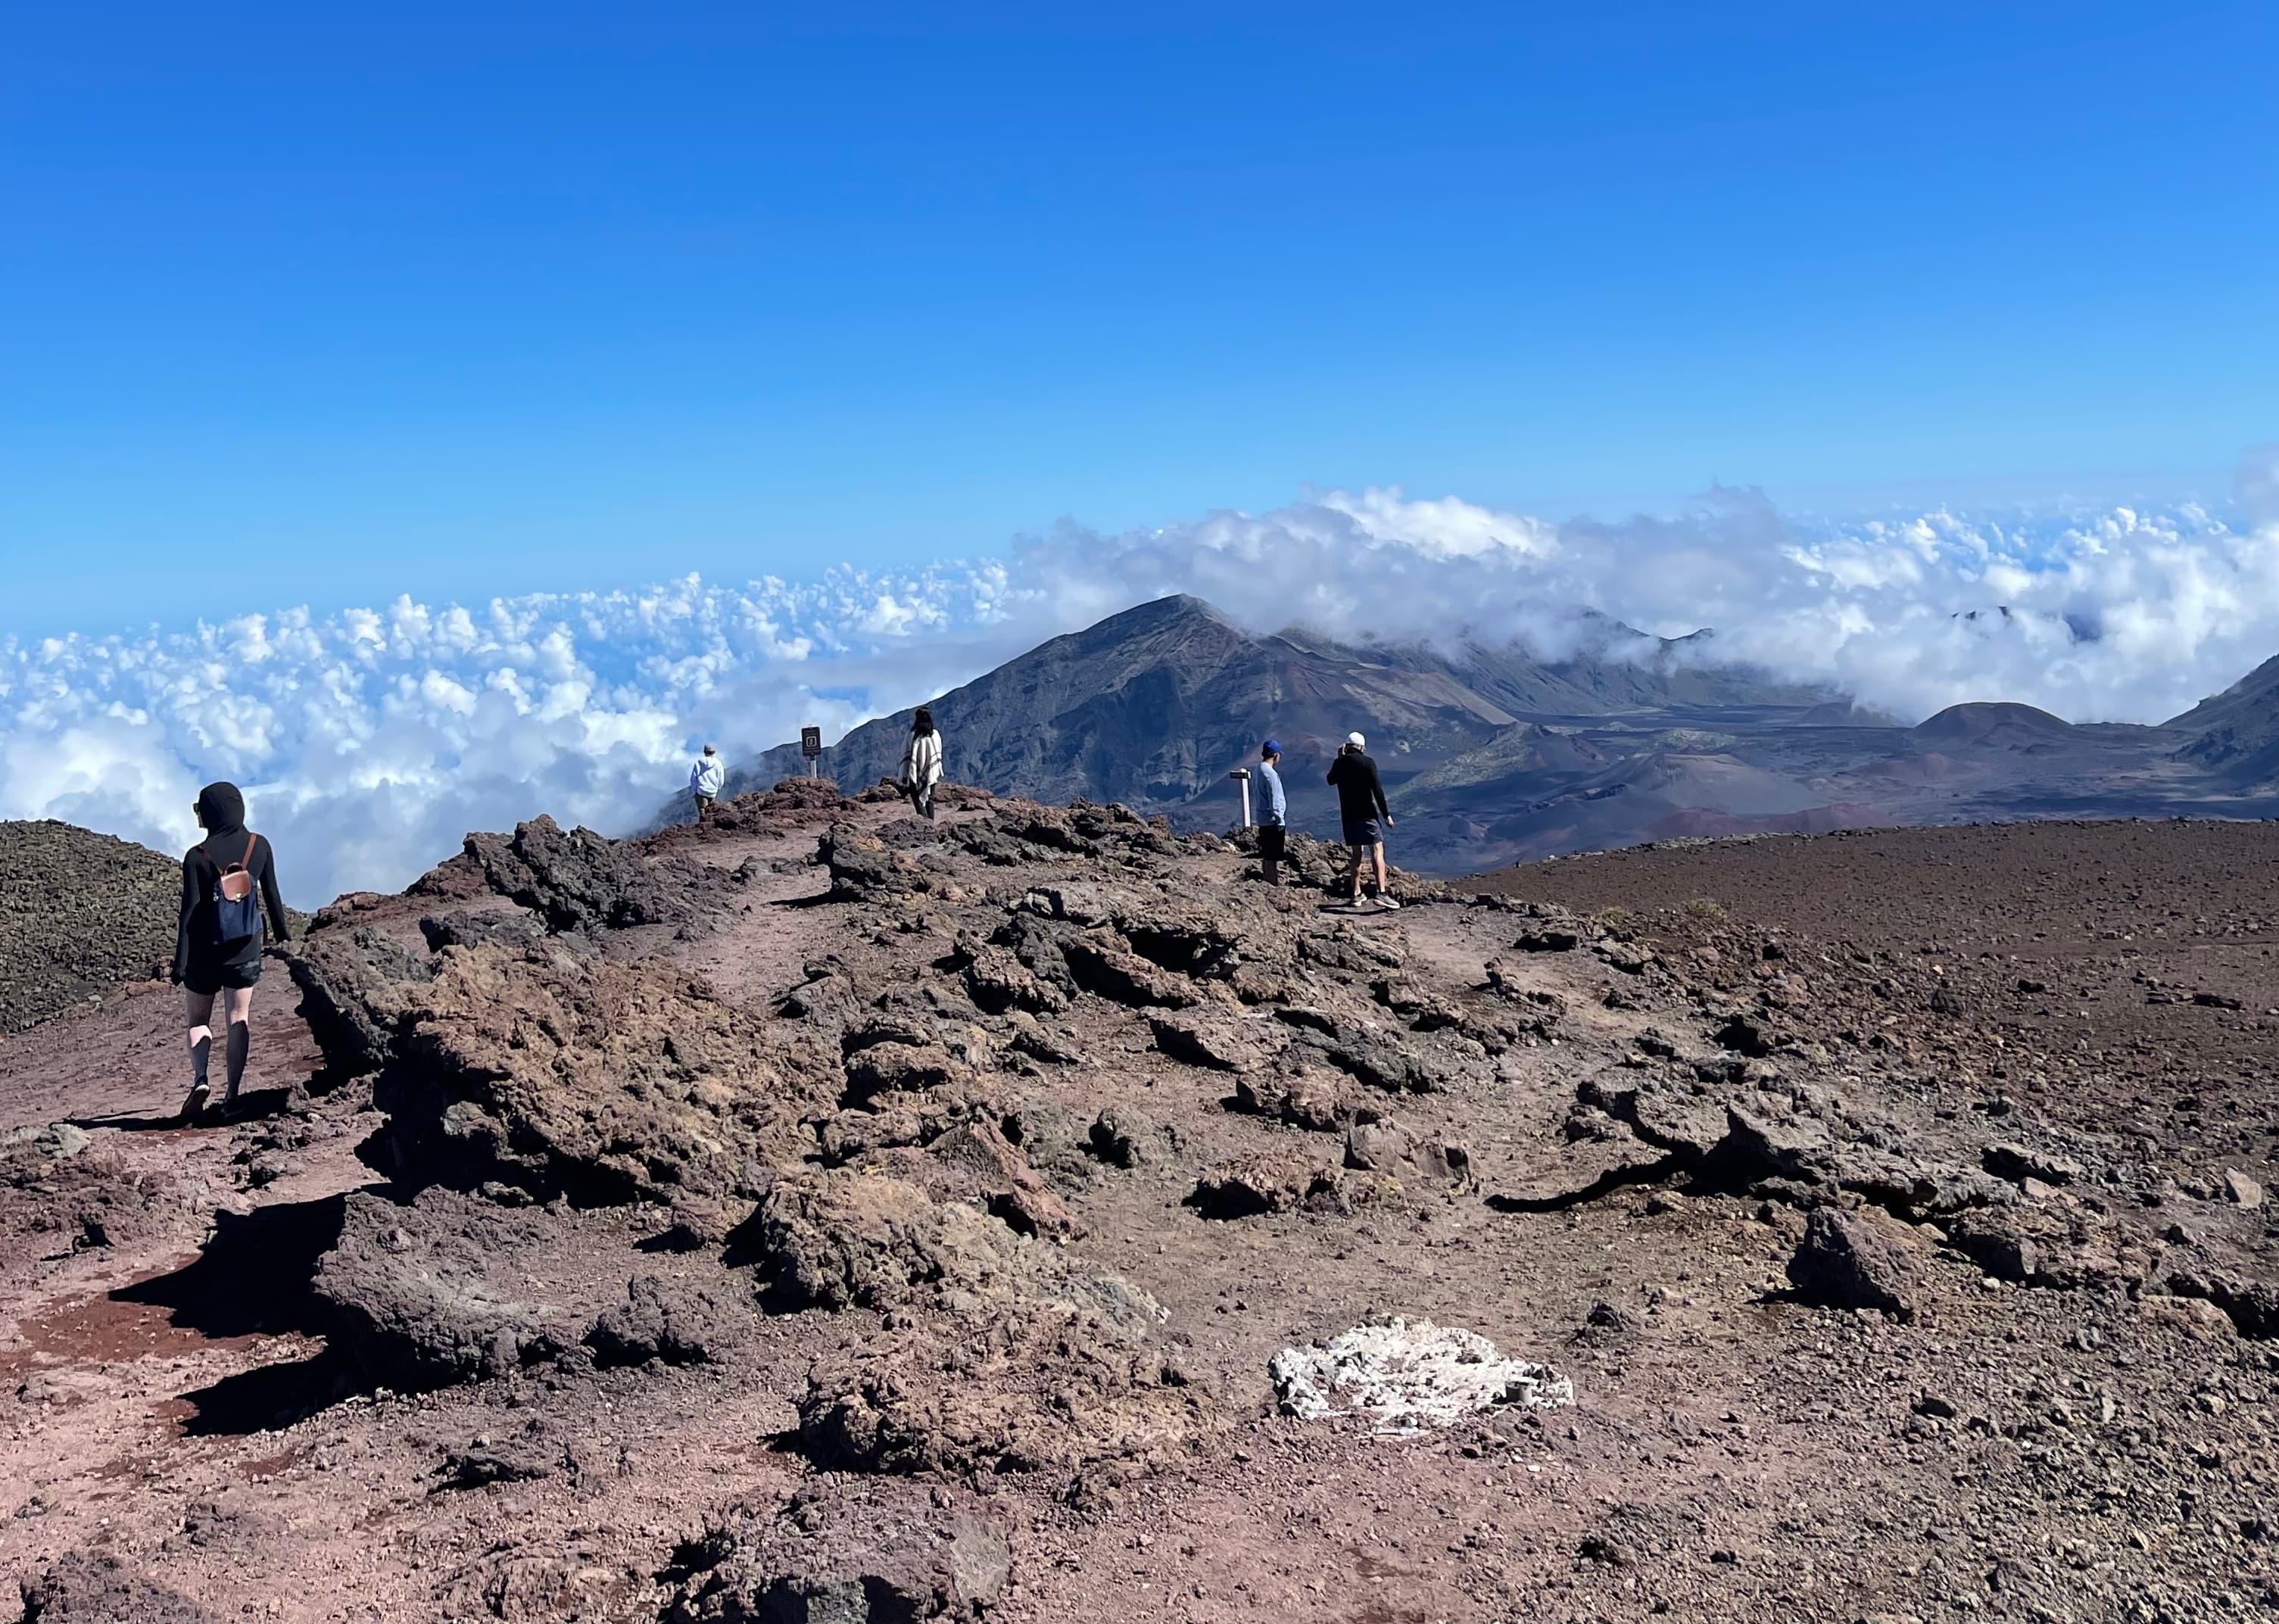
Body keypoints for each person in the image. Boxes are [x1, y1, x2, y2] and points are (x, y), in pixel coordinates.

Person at [173, 781, 292, 1121]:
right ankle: (232, 1096)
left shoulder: (197, 856)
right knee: (238, 1018)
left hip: (203, 954)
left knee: (198, 1020)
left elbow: (188, 913)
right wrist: (285, 938)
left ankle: (201, 1079)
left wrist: (180, 963)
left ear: (211, 813)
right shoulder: (259, 846)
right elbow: (273, 896)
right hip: (244, 948)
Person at [1326, 731, 1398, 909]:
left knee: (1356, 854)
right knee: (1377, 850)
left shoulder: (1340, 763)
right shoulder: (1368, 763)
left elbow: (1330, 780)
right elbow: (1377, 790)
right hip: (1367, 814)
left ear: (1347, 747)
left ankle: (1356, 894)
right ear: (1361, 747)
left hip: (1348, 816)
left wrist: (1339, 758)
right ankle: (1382, 893)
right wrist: (1386, 814)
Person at [1255, 739, 1289, 885]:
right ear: (1276, 755)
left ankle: (1268, 881)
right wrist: (1280, 820)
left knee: (1267, 854)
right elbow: (1275, 798)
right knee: (1272, 857)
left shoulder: (1258, 770)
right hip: (1272, 820)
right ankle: (1272, 884)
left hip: (1262, 818)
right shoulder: (1270, 774)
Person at [900, 706, 943, 820]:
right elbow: (938, 753)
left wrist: (905, 774)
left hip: (914, 772)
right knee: (930, 798)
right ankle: (930, 824)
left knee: (917, 798)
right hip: (931, 772)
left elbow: (906, 754)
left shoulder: (911, 735)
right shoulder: (935, 735)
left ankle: (925, 824)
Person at [689, 743, 725, 822]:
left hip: (701, 791)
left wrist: (694, 791)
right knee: (711, 811)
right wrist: (718, 788)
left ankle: (703, 826)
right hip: (713, 792)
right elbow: (721, 779)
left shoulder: (699, 762)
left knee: (703, 811)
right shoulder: (718, 763)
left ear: (704, 752)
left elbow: (693, 778)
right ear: (714, 752)